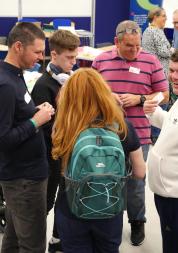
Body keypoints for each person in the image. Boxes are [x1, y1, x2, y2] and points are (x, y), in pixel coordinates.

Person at [52, 67, 146, 253]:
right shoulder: (123, 126)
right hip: (110, 208)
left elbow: (61, 170)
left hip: (71, 209)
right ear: (104, 92)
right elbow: (139, 172)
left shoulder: (64, 126)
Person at [92, 20, 169, 246]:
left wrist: (140, 99)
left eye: (137, 46)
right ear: (116, 42)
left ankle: (137, 221)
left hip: (140, 133)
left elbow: (164, 94)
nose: (135, 51)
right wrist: (107, 97)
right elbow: (90, 91)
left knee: (136, 182)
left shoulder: (150, 60)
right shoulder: (100, 61)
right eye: (129, 46)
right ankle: (109, 220)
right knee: (106, 178)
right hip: (106, 134)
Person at [0, 22, 55, 253]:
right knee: (32, 245)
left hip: (27, 176)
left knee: (13, 241)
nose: (42, 58)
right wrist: (36, 121)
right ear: (18, 47)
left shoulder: (16, 76)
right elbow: (3, 139)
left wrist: (34, 111)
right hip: (23, 180)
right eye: (38, 52)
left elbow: (16, 116)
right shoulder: (5, 85)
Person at [31, 29, 80, 253]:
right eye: (69, 58)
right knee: (47, 203)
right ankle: (34, 243)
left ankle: (57, 240)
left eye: (75, 57)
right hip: (50, 157)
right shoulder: (44, 86)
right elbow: (44, 127)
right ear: (54, 54)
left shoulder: (71, 80)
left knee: (66, 202)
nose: (74, 61)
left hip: (68, 155)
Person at [143, 49, 178, 253]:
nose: (174, 76)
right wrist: (155, 113)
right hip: (166, 193)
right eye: (172, 70)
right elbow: (172, 125)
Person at [142, 7, 171, 144]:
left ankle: (152, 135)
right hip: (160, 75)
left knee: (154, 103)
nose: (166, 19)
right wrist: (174, 51)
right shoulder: (157, 32)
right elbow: (164, 52)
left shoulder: (147, 30)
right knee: (161, 103)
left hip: (150, 74)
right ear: (155, 17)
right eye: (163, 16)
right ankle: (156, 136)